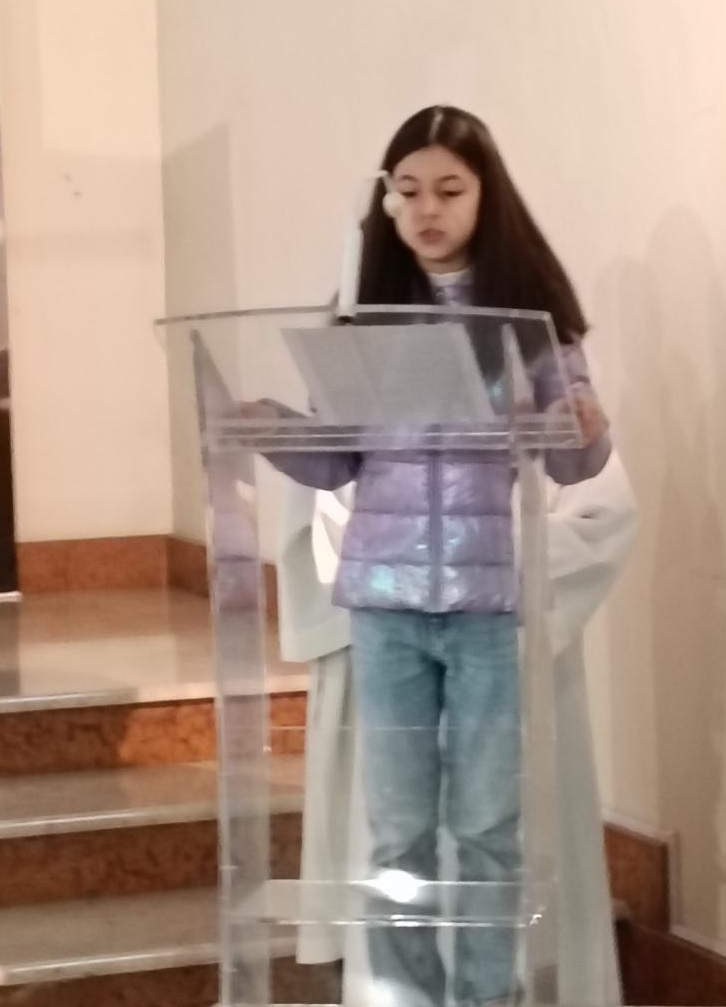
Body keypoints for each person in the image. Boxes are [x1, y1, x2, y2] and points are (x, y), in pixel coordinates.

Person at [262, 105, 612, 1007]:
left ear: (486, 197)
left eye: (450, 190)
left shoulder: (530, 319)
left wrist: (582, 424)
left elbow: (574, 460)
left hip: (485, 607)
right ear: (387, 201)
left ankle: (488, 998)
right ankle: (410, 999)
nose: (428, 209)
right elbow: (338, 461)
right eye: (409, 191)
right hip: (385, 604)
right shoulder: (364, 315)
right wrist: (270, 429)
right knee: (397, 834)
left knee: (489, 828)